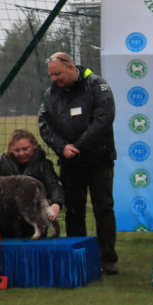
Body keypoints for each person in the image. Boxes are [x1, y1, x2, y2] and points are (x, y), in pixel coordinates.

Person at [38, 52, 119, 275]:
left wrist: (79, 146)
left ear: (71, 66)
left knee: (103, 208)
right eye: (51, 75)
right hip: (69, 162)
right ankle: (78, 255)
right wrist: (62, 147)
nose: (55, 79)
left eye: (58, 74)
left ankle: (107, 258)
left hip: (99, 159)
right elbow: (44, 125)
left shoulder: (97, 85)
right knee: (73, 210)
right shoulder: (51, 94)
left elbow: (104, 118)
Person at [0, 128, 64, 238]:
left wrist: (56, 204)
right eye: (16, 150)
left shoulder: (43, 165)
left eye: (25, 149)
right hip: (5, 214)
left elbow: (54, 186)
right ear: (11, 149)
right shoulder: (3, 161)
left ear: (34, 145)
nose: (21, 153)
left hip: (33, 214)